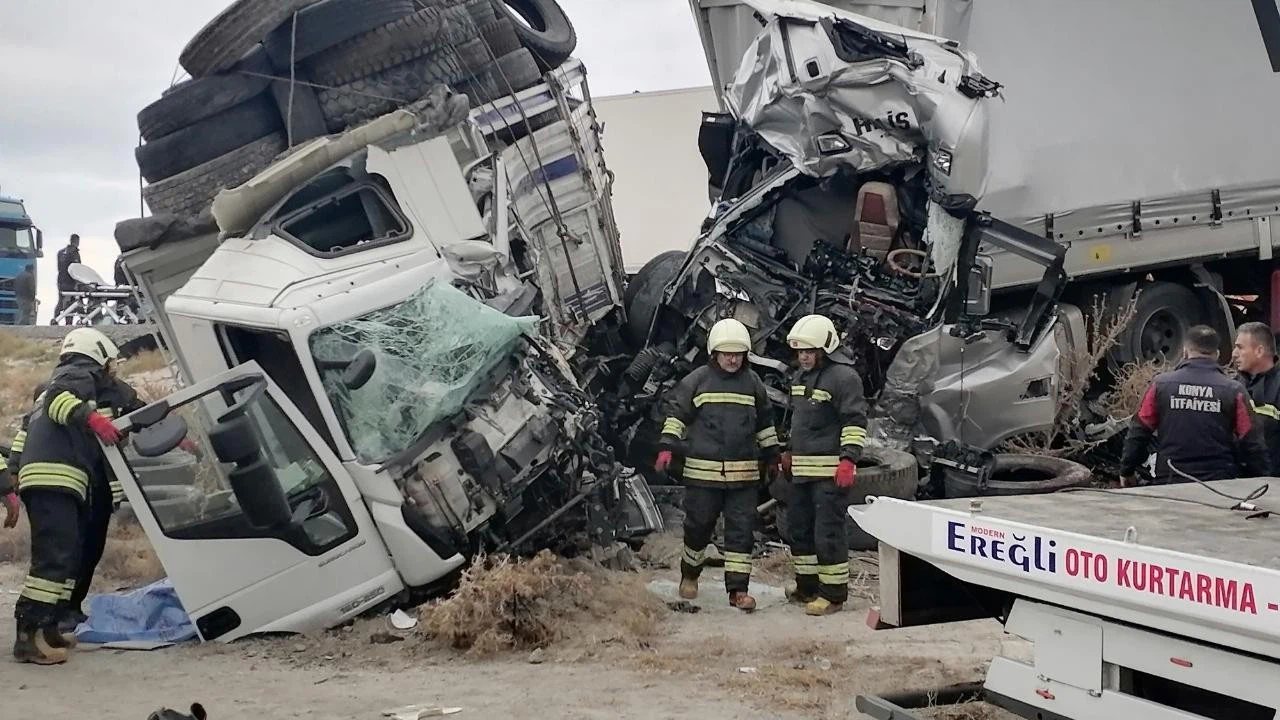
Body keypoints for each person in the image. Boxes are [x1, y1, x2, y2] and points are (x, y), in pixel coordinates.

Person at [13, 328, 126, 665]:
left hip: (56, 479)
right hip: (54, 478)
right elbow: (61, 401)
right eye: (110, 362)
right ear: (98, 354)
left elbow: (23, 437)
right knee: (54, 560)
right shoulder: (78, 373)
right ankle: (26, 639)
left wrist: (15, 474)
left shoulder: (57, 382)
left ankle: (47, 630)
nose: (111, 369)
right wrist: (94, 420)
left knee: (68, 558)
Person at [655, 318, 780, 612]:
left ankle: (738, 591)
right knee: (697, 528)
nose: (733, 359)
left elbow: (765, 422)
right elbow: (676, 415)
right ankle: (690, 574)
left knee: (741, 532)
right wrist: (666, 446)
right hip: (703, 476)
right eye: (727, 354)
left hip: (743, 477)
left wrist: (772, 454)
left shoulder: (753, 383)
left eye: (738, 354)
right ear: (715, 353)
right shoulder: (697, 380)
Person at [781, 314, 868, 616]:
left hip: (829, 474)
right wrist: (788, 450)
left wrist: (848, 459)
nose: (803, 357)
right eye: (800, 351)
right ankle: (807, 587)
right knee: (800, 530)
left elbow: (855, 421)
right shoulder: (799, 378)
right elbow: (797, 420)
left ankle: (832, 595)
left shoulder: (844, 378)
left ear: (825, 349)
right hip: (802, 473)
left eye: (809, 351)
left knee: (827, 533)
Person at [1120, 325, 1268, 486]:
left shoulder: (1161, 385)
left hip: (1170, 483)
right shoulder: (1233, 390)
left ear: (1185, 352)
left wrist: (1126, 471)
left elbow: (1139, 431)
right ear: (1216, 354)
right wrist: (1260, 480)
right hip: (1219, 486)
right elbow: (1252, 442)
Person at [1232, 322, 1280, 474]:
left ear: (1259, 351)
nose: (1234, 354)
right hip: (1236, 481)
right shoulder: (1233, 385)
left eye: (1240, 347)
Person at [53, 234, 82, 321]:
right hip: (70, 282)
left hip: (61, 281)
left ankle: (56, 319)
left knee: (61, 301)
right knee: (71, 302)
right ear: (76, 241)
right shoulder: (74, 253)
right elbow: (76, 269)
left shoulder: (60, 252)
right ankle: (68, 322)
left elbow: (59, 268)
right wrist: (77, 283)